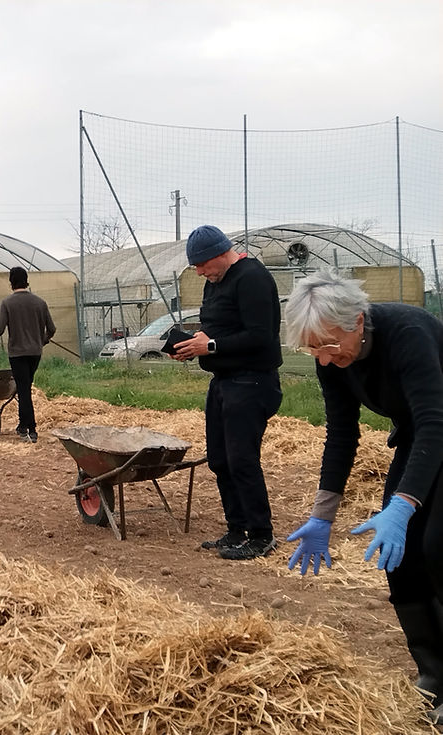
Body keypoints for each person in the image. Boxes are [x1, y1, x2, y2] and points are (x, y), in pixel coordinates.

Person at [284, 269, 443, 724]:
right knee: (400, 556)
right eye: (312, 348)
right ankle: (433, 673)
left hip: (438, 424)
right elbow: (341, 434)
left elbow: (435, 420)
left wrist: (404, 504)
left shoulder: (407, 333)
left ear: (358, 320)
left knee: (436, 546)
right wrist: (323, 516)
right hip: (420, 434)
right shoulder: (329, 358)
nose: (324, 358)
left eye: (329, 344)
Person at [171, 225, 283, 560]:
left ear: (221, 254)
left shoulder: (252, 278)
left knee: (242, 460)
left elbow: (261, 335)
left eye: (202, 265)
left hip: (252, 381)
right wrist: (192, 345)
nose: (200, 272)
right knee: (220, 460)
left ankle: (262, 535)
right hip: (223, 381)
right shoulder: (214, 283)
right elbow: (215, 328)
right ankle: (237, 529)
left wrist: (213, 345)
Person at [0, 267, 56, 443]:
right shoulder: (40, 302)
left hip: (17, 354)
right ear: (26, 280)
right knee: (25, 387)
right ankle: (23, 425)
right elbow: (51, 329)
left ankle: (31, 429)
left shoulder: (8, 303)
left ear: (11, 282)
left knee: (24, 391)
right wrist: (42, 340)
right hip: (35, 353)